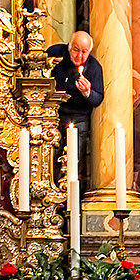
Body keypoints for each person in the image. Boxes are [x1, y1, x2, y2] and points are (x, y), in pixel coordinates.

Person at [46, 29, 106, 181]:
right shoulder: (56, 54)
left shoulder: (94, 67)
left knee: (72, 162)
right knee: (49, 159)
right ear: (69, 47)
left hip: (79, 119)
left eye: (84, 52)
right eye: (76, 50)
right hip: (52, 117)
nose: (79, 56)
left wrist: (87, 92)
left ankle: (68, 198)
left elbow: (98, 99)